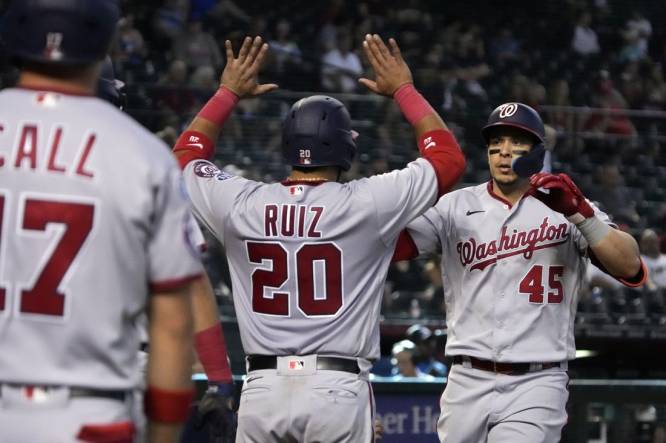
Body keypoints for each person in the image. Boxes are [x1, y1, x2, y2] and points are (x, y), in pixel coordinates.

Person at [172, 34, 466, 442]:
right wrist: (404, 89)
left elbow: (184, 159)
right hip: (336, 388)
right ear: (345, 147)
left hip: (262, 389)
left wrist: (227, 92)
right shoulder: (367, 204)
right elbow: (448, 159)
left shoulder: (242, 202)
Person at [0, 1, 203, 442]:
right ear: (102, 39)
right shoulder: (142, 155)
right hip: (87, 411)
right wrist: (164, 434)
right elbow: (173, 322)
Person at [393, 102, 647, 442]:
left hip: (536, 380)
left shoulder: (565, 206)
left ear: (537, 152)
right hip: (466, 378)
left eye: (517, 143)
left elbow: (631, 267)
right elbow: (389, 244)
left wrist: (582, 215)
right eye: (496, 144)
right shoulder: (455, 206)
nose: (504, 152)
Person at [97, 56, 237, 442]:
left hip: (29, 360)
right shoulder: (146, 169)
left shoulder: (15, 159)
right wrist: (220, 382)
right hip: (133, 364)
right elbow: (191, 285)